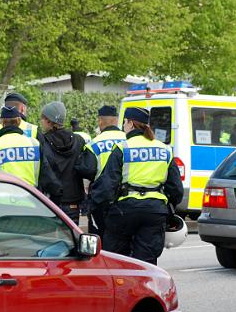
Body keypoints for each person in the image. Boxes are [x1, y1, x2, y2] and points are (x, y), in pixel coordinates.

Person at [89, 107, 184, 265]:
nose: (123, 127)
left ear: (131, 124)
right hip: (155, 211)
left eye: (125, 123)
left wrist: (100, 210)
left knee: (118, 258)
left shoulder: (122, 148)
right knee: (147, 262)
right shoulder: (165, 149)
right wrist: (167, 209)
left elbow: (106, 187)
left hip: (126, 210)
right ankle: (145, 287)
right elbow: (176, 189)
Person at [0, 105, 61, 197]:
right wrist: (57, 195)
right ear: (19, 122)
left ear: (2, 123)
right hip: (30, 201)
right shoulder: (34, 144)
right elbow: (48, 176)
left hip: (1, 203)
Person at [77, 105, 127, 234]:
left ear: (100, 121)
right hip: (127, 196)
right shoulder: (128, 140)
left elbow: (87, 170)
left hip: (103, 198)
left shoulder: (94, 144)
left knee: (102, 236)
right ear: (116, 120)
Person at [39, 101, 87, 224]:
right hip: (73, 201)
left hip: (51, 200)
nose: (41, 121)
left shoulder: (42, 142)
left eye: (42, 118)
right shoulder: (79, 140)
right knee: (72, 240)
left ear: (49, 120)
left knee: (51, 240)